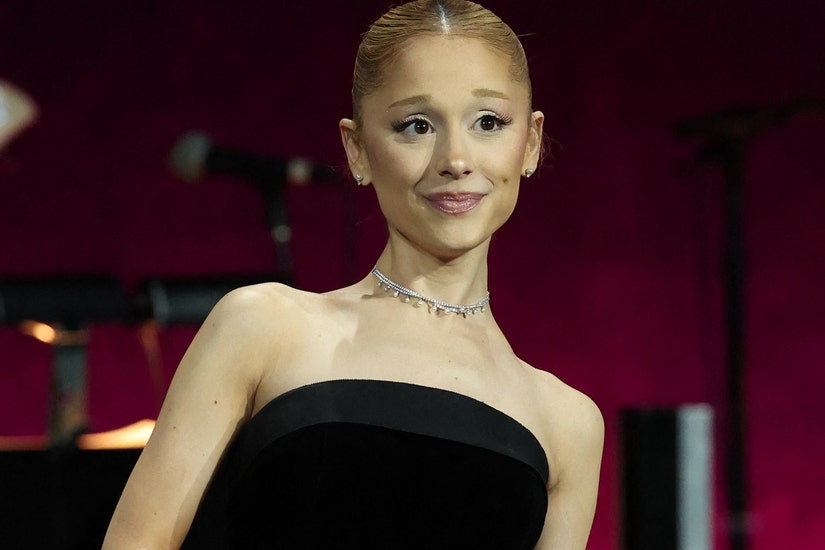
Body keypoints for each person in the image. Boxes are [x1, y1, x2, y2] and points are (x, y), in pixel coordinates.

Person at [103, 1, 603, 548]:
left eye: (488, 122)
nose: (456, 159)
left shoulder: (568, 423)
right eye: (416, 125)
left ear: (530, 142)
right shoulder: (262, 328)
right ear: (358, 149)